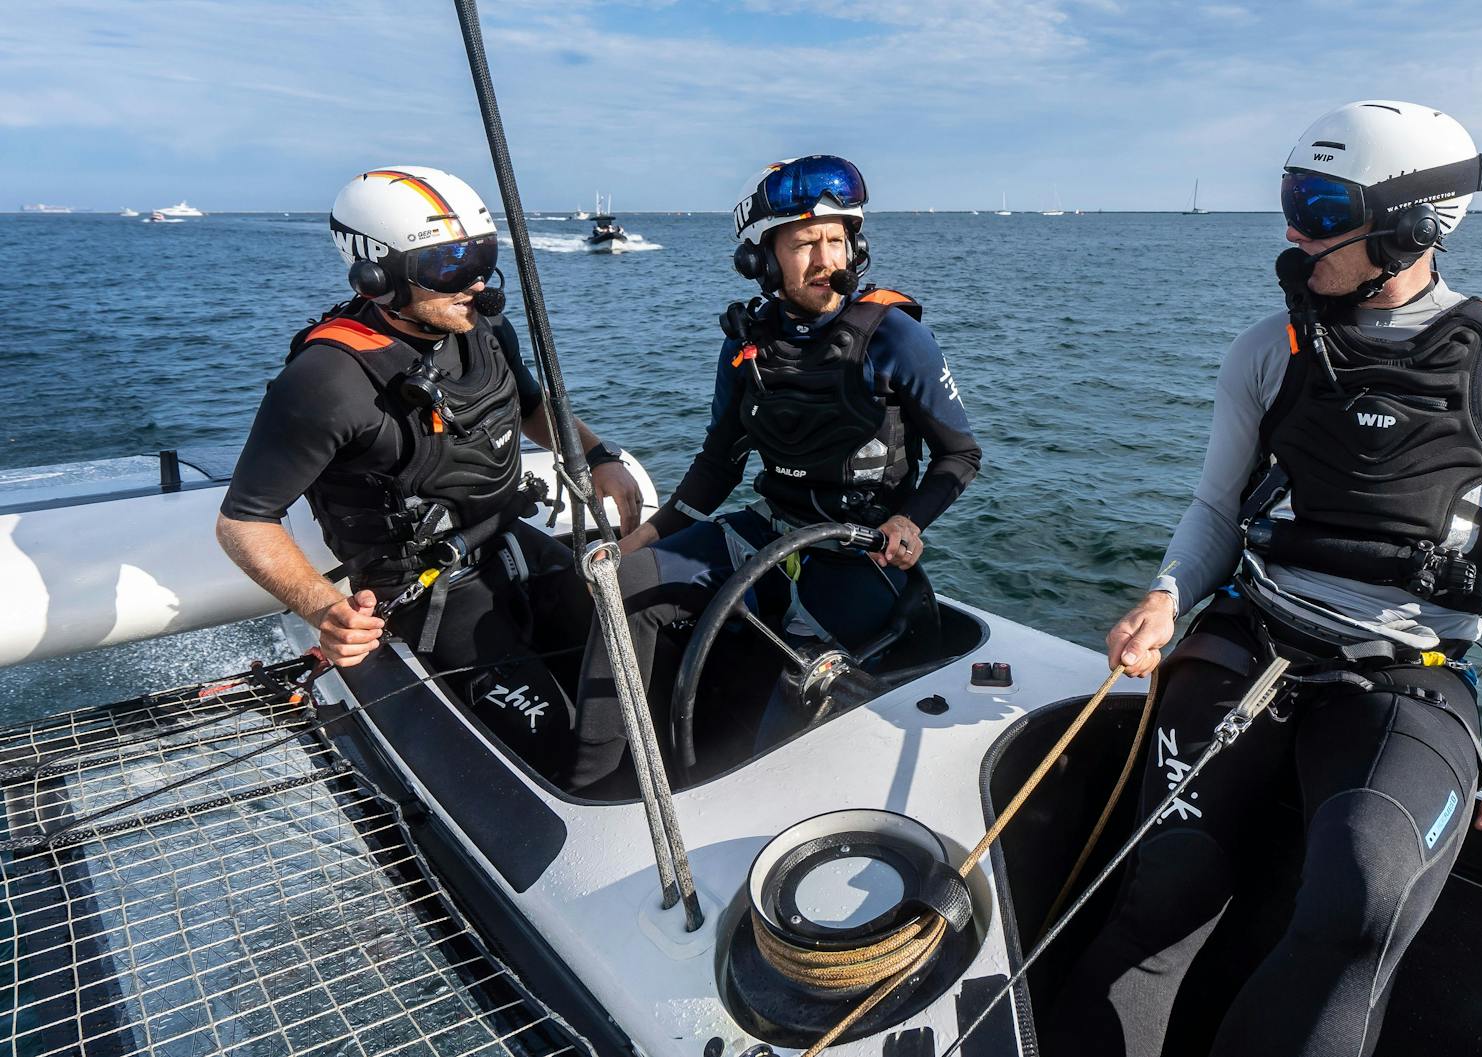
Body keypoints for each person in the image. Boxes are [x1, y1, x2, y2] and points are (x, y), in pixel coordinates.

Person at [1046, 102, 1482, 1056]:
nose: (1292, 230)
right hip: (1250, 642)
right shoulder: (1267, 351)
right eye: (1289, 199)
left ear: (1411, 224)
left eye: (1318, 207)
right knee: (1161, 881)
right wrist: (1168, 595)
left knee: (1360, 890)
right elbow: (1217, 510)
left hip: (1406, 674)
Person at [215, 166, 640, 783]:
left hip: (508, 541)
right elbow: (244, 522)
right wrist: (326, 610)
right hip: (428, 594)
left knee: (633, 664)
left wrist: (598, 455)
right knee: (561, 749)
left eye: (482, 257)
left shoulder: (482, 327)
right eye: (447, 266)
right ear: (377, 276)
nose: (476, 282)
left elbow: (528, 406)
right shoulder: (326, 381)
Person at [570, 155, 981, 791]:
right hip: (767, 531)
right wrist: (643, 539)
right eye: (804, 244)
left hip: (857, 551)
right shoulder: (747, 343)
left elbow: (960, 455)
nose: (826, 260)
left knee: (800, 697)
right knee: (626, 586)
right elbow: (719, 463)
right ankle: (596, 786)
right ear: (762, 259)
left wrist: (909, 521)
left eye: (837, 240)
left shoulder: (896, 337)